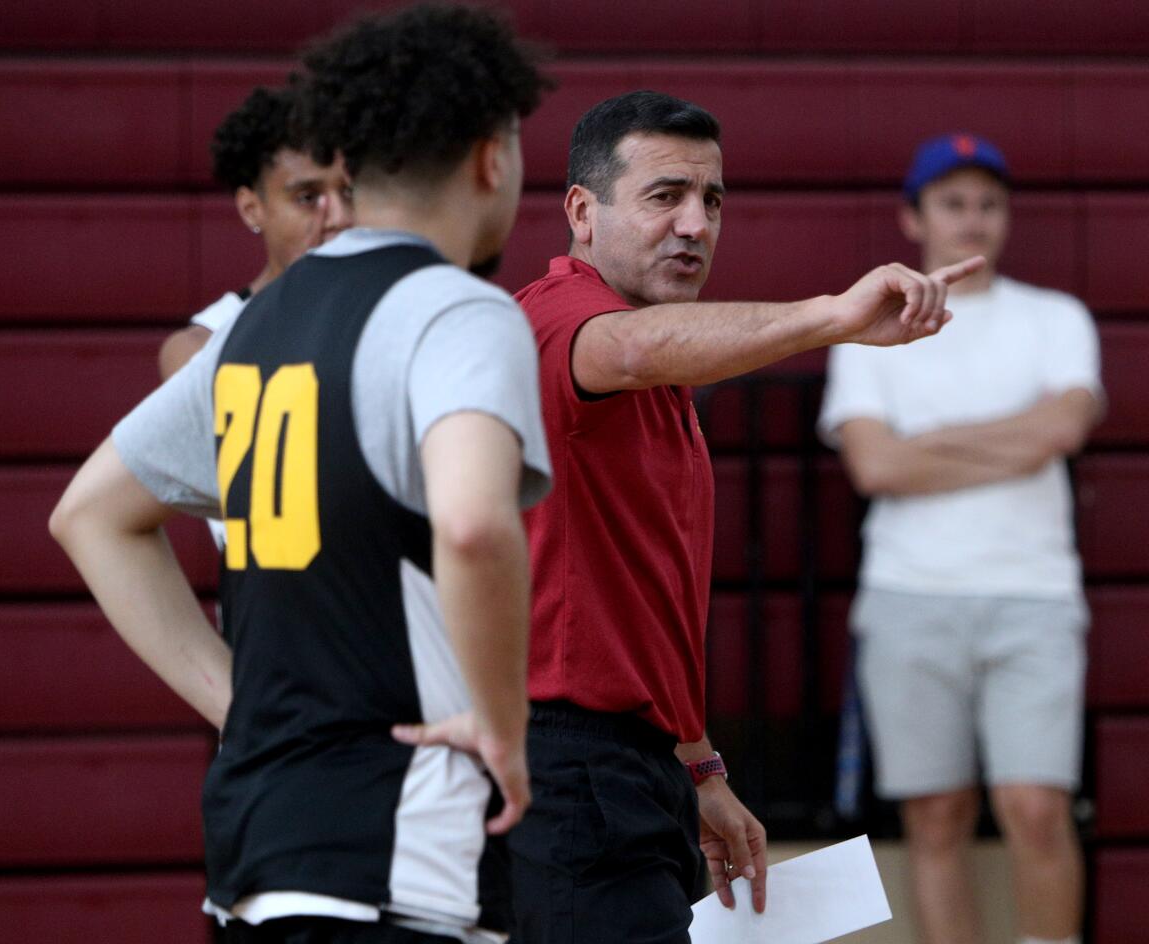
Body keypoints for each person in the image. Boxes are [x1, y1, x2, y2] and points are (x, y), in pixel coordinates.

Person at [397, 90, 983, 944]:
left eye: (711, 201)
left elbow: (640, 604)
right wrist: (831, 319)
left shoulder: (660, 371)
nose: (695, 224)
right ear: (581, 213)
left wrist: (698, 764)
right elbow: (628, 349)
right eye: (664, 195)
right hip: (567, 765)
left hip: (632, 766)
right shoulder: (562, 317)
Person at [49, 5, 552, 943]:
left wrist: (235, 705)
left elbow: (89, 515)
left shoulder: (255, 323)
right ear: (493, 155)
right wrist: (503, 724)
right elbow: (475, 526)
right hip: (396, 850)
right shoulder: (457, 310)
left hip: (258, 849)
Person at [818, 133, 1102, 944]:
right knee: (935, 816)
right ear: (914, 219)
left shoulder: (1056, 318)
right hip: (909, 595)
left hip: (1034, 593)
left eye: (988, 203)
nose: (972, 219)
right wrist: (1014, 440)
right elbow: (875, 465)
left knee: (1037, 808)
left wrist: (930, 444)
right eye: (953, 203)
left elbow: (1066, 427)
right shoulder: (870, 327)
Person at [157, 83, 354, 382]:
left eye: (350, 192)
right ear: (251, 209)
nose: (339, 217)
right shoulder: (202, 347)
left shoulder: (400, 310)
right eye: (307, 198)